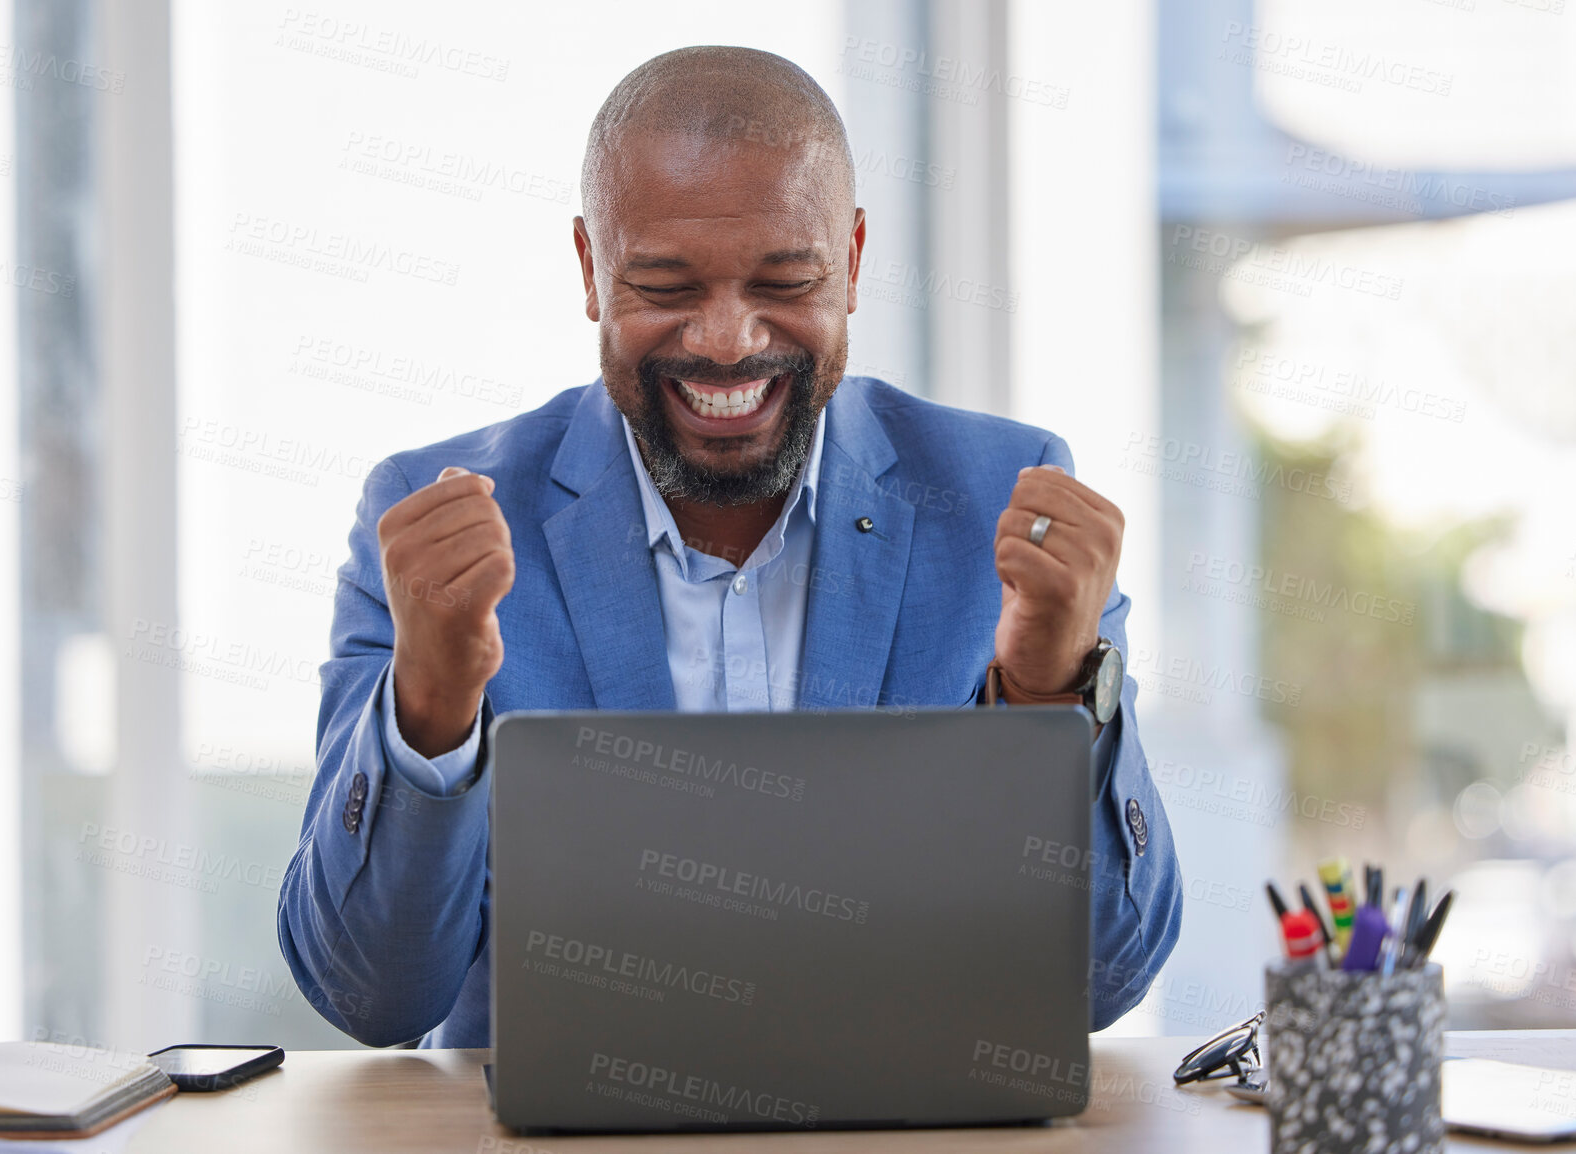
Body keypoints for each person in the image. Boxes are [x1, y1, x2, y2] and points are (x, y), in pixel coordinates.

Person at [279, 45, 1181, 1048]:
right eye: (664, 284)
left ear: (854, 259)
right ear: (590, 268)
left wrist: (1049, 693)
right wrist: (435, 707)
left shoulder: (1002, 502)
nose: (724, 338)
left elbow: (1102, 978)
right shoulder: (429, 519)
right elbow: (370, 995)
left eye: (785, 278)